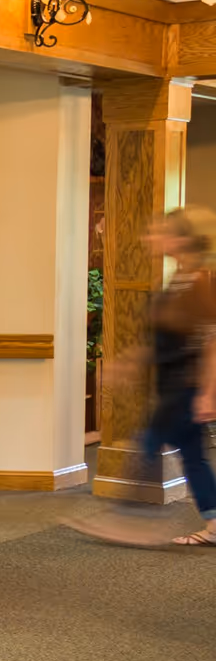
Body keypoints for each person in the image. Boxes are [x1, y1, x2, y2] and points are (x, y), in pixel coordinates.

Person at [76, 206, 216, 547]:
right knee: (192, 456)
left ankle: (130, 519)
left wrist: (208, 394)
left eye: (162, 231)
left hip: (186, 386)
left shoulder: (197, 281)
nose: (153, 237)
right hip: (176, 384)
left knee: (148, 443)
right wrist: (127, 363)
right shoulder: (180, 279)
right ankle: (213, 524)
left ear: (181, 240)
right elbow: (165, 339)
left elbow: (212, 341)